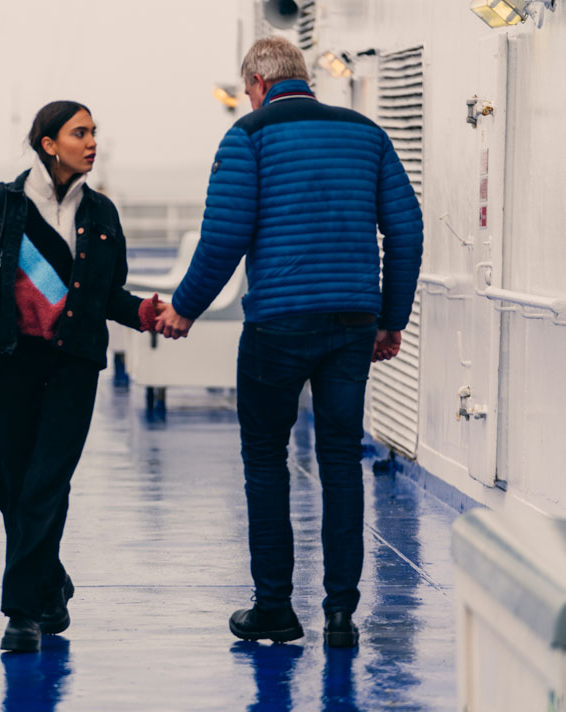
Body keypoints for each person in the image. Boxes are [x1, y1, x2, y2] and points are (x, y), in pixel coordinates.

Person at [156, 37, 423, 647]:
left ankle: (275, 607)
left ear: (255, 82)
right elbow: (406, 230)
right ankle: (340, 615)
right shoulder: (366, 134)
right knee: (339, 460)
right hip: (353, 322)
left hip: (277, 324)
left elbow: (223, 238)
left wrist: (184, 310)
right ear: (304, 78)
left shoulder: (248, 136)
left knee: (265, 461)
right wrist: (391, 318)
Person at [0, 101, 166, 653]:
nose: (92, 141)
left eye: (94, 132)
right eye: (80, 133)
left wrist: (142, 313)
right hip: (12, 360)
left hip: (73, 366)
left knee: (45, 482)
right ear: (48, 143)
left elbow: (104, 294)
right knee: (5, 478)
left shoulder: (101, 214)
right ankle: (51, 577)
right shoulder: (1, 206)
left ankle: (23, 613)